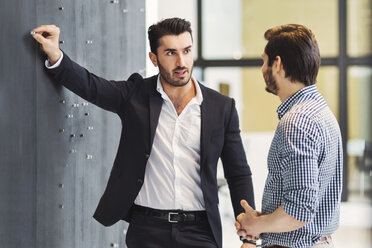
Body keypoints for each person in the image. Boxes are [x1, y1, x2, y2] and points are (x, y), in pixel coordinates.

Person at [31, 18, 255, 248]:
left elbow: (238, 173)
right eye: (170, 53)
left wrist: (249, 236)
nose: (181, 61)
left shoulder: (221, 107)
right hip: (147, 230)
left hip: (199, 231)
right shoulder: (135, 95)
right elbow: (91, 86)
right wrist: (56, 54)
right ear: (154, 58)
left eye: (186, 51)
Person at [235, 24, 343, 248]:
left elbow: (300, 211)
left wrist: (257, 225)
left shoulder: (297, 123)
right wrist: (260, 221)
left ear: (278, 64)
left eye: (264, 61)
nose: (263, 69)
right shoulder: (321, 111)